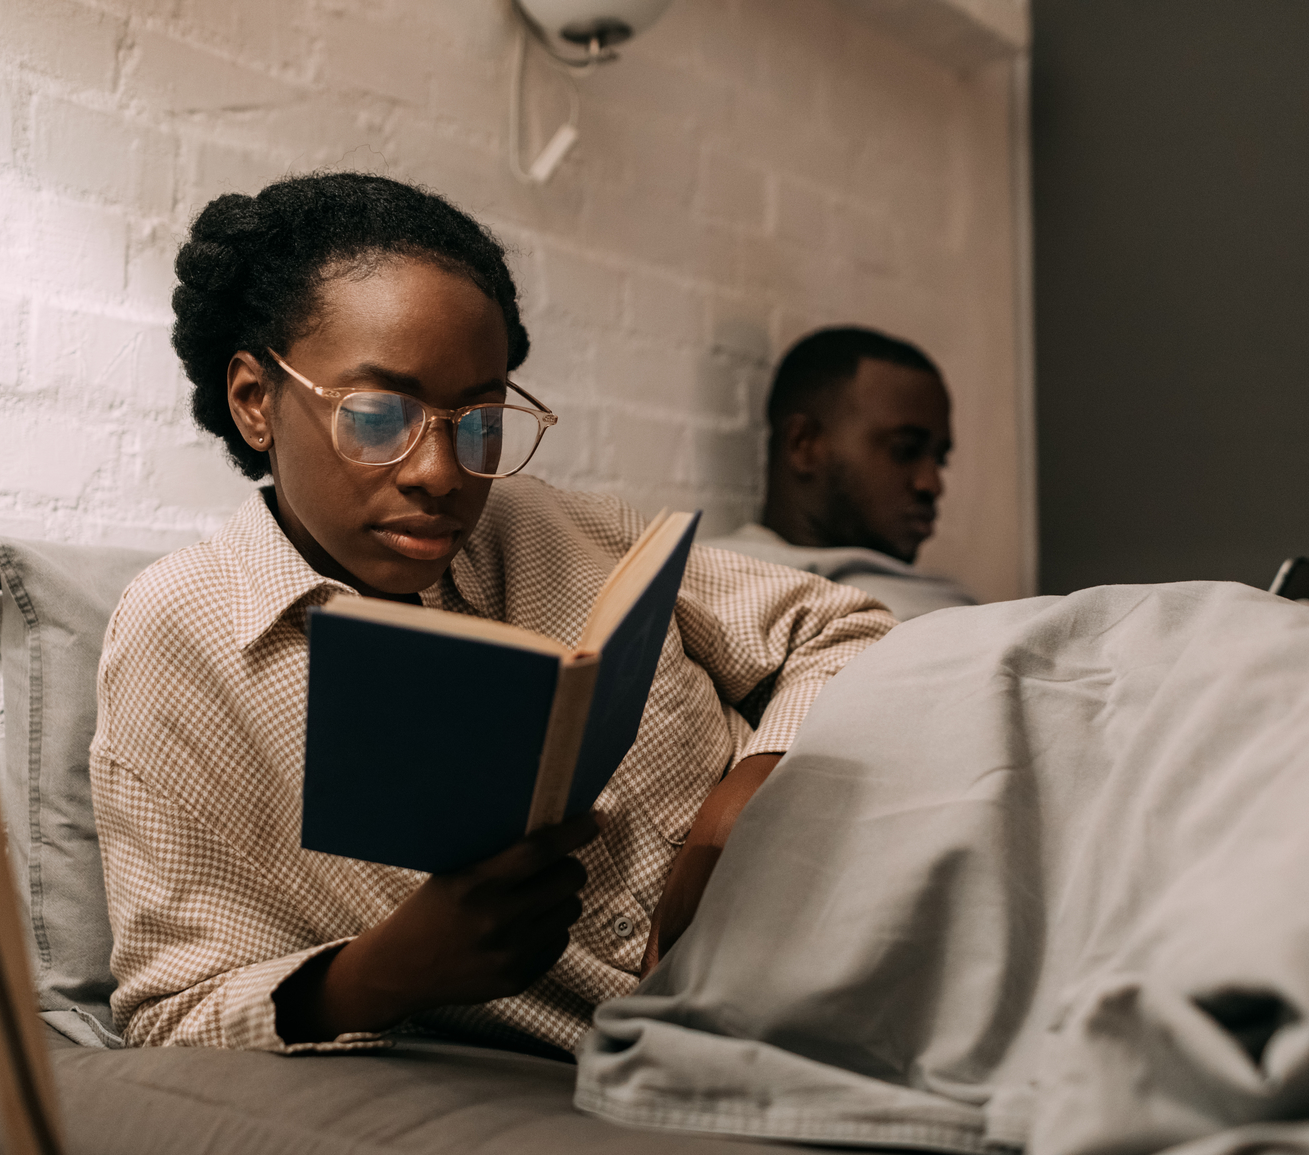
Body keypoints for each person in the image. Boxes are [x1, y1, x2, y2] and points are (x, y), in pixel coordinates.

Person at [88, 173, 894, 1058]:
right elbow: (170, 1014)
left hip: (841, 917)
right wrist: (380, 974)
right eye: (379, 414)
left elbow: (844, 629)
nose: (441, 471)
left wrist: (742, 802)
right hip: (704, 1045)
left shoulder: (547, 525)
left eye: (479, 420)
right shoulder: (183, 635)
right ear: (253, 401)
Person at [705, 327, 976, 620]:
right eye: (905, 450)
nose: (932, 485)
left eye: (940, 459)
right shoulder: (713, 588)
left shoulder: (952, 601)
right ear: (804, 444)